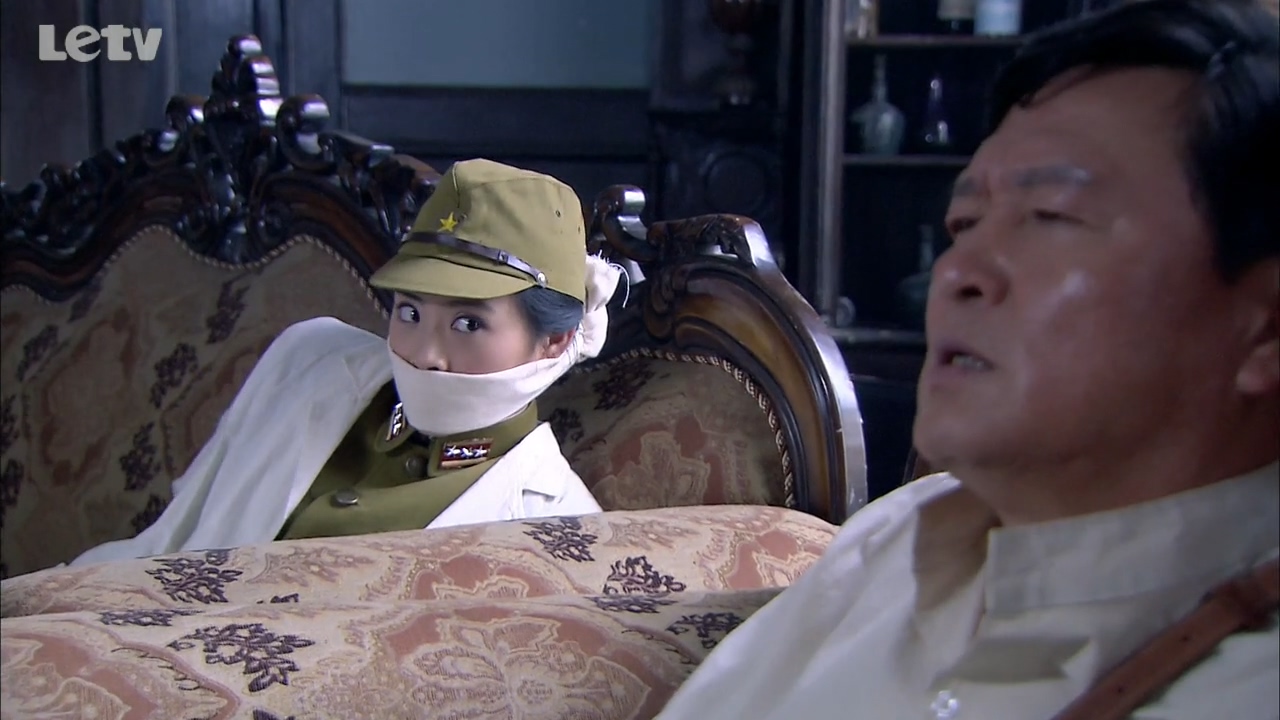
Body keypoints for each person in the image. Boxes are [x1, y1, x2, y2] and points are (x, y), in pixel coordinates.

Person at [656, 1, 1279, 718]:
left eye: (1050, 216)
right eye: (965, 222)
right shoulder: (897, 539)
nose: (958, 271)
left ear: (1266, 329)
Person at [70, 159, 614, 566]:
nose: (425, 354)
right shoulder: (311, 359)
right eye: (409, 311)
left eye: (468, 324)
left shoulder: (557, 526)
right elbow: (176, 536)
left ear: (555, 340)